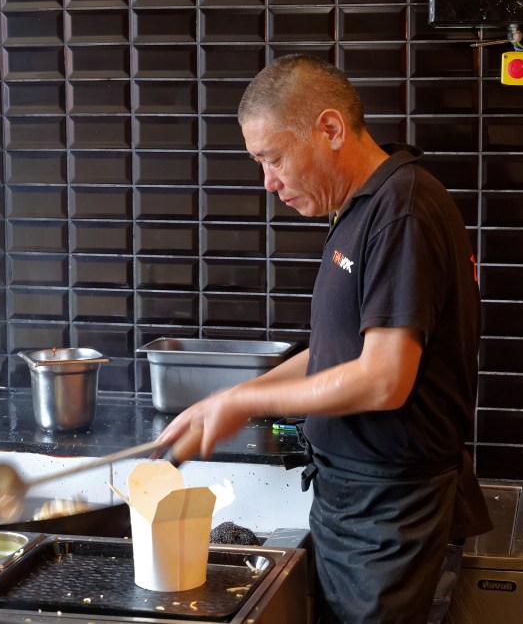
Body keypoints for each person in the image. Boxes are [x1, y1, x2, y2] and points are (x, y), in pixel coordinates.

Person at [158, 54, 492, 624]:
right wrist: (231, 398)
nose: (269, 182)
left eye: (273, 158)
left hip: (390, 514)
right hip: (351, 504)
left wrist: (244, 403)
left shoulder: (403, 211)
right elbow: (333, 354)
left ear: (331, 129)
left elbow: (384, 378)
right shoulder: (360, 209)